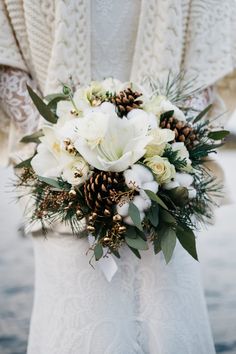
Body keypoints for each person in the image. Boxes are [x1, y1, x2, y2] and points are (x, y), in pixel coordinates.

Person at [0, 1, 236, 353]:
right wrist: (65, 147)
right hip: (61, 184)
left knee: (167, 315)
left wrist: (166, 142)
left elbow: (209, 57)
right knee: (81, 322)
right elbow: (7, 53)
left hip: (163, 192)